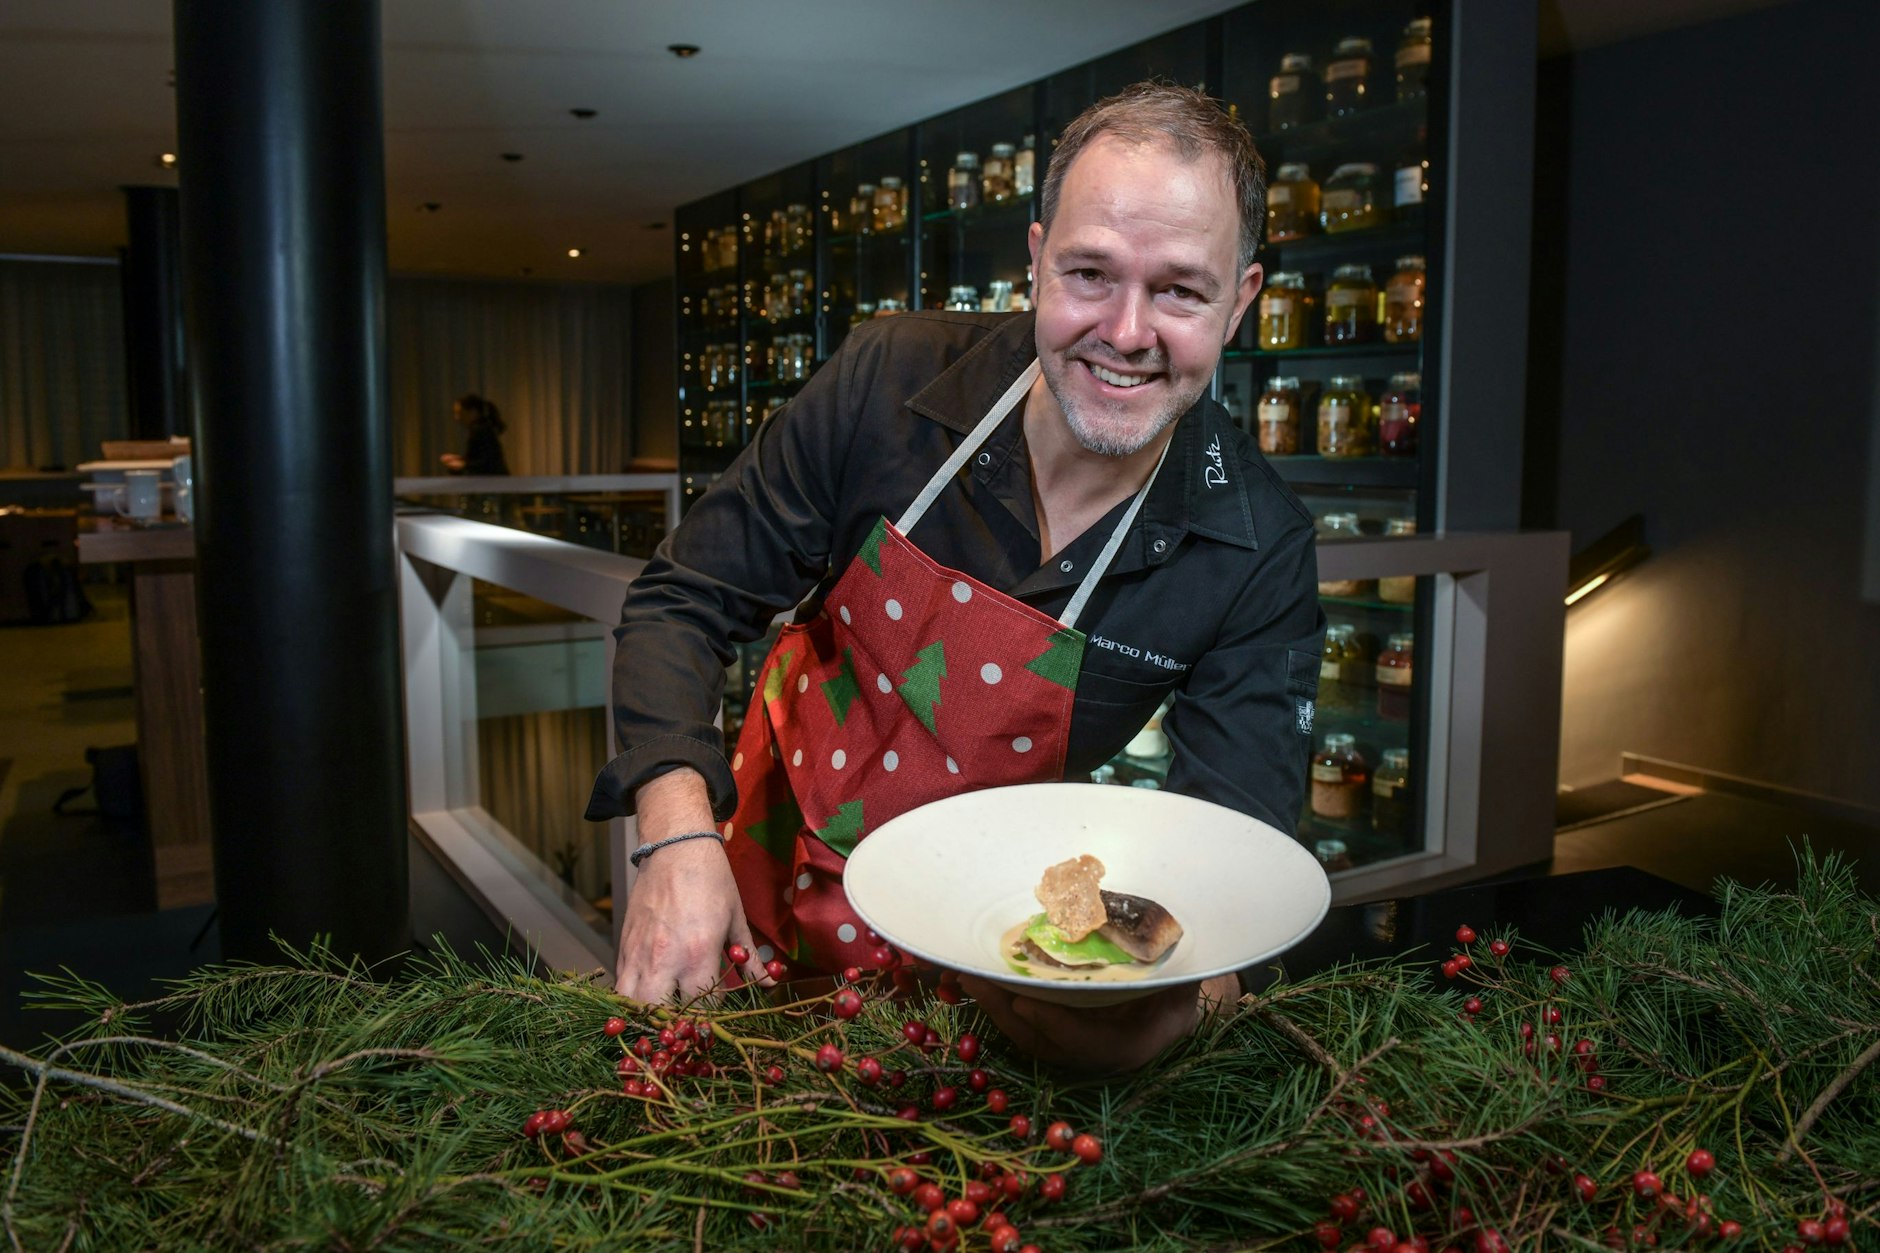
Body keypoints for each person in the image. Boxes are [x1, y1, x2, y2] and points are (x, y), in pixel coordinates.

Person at [586, 82, 1324, 1074]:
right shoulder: (885, 383)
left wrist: (1180, 1004)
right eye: (1088, 273)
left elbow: (1238, 854)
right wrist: (672, 844)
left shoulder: (1255, 546)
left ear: (1241, 299)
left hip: (984, 985)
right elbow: (685, 597)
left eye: (1181, 290)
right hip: (744, 897)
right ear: (1032, 263)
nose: (1127, 329)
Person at [440, 393, 510, 475]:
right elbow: (481, 458)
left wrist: (463, 464)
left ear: (473, 412)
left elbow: (488, 462)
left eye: (460, 413)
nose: (457, 418)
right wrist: (459, 460)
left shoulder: (481, 430)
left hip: (492, 483)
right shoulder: (483, 428)